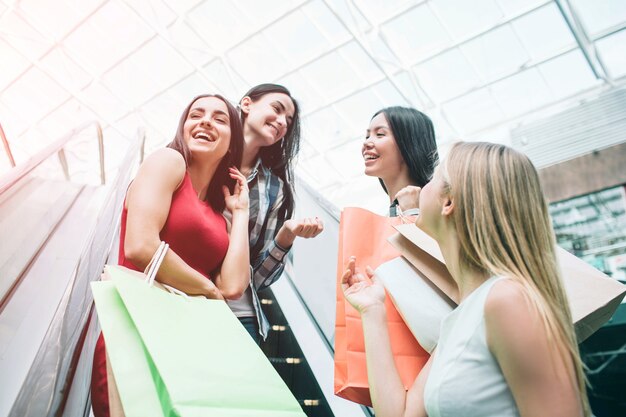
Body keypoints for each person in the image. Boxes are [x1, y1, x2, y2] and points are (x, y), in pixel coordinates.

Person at [342, 141, 590, 417]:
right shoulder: (460, 319)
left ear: (448, 202)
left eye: (435, 176)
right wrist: (372, 311)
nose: (423, 186)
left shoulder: (506, 300)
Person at [91, 94, 250, 417]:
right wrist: (206, 289)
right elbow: (140, 246)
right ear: (183, 127)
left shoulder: (221, 215)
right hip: (137, 330)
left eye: (220, 119)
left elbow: (232, 286)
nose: (205, 120)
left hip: (185, 343)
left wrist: (242, 212)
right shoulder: (168, 162)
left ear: (232, 143)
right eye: (196, 114)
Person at [225, 83, 323, 342]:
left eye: (288, 122)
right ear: (247, 104)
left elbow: (255, 279)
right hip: (181, 298)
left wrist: (284, 238)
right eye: (276, 109)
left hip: (238, 317)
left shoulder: (274, 189)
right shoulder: (203, 156)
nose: (281, 122)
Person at [362, 106, 438, 216]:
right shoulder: (388, 217)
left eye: (380, 134)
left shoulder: (438, 208)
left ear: (409, 143)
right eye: (367, 136)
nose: (366, 143)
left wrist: (412, 213)